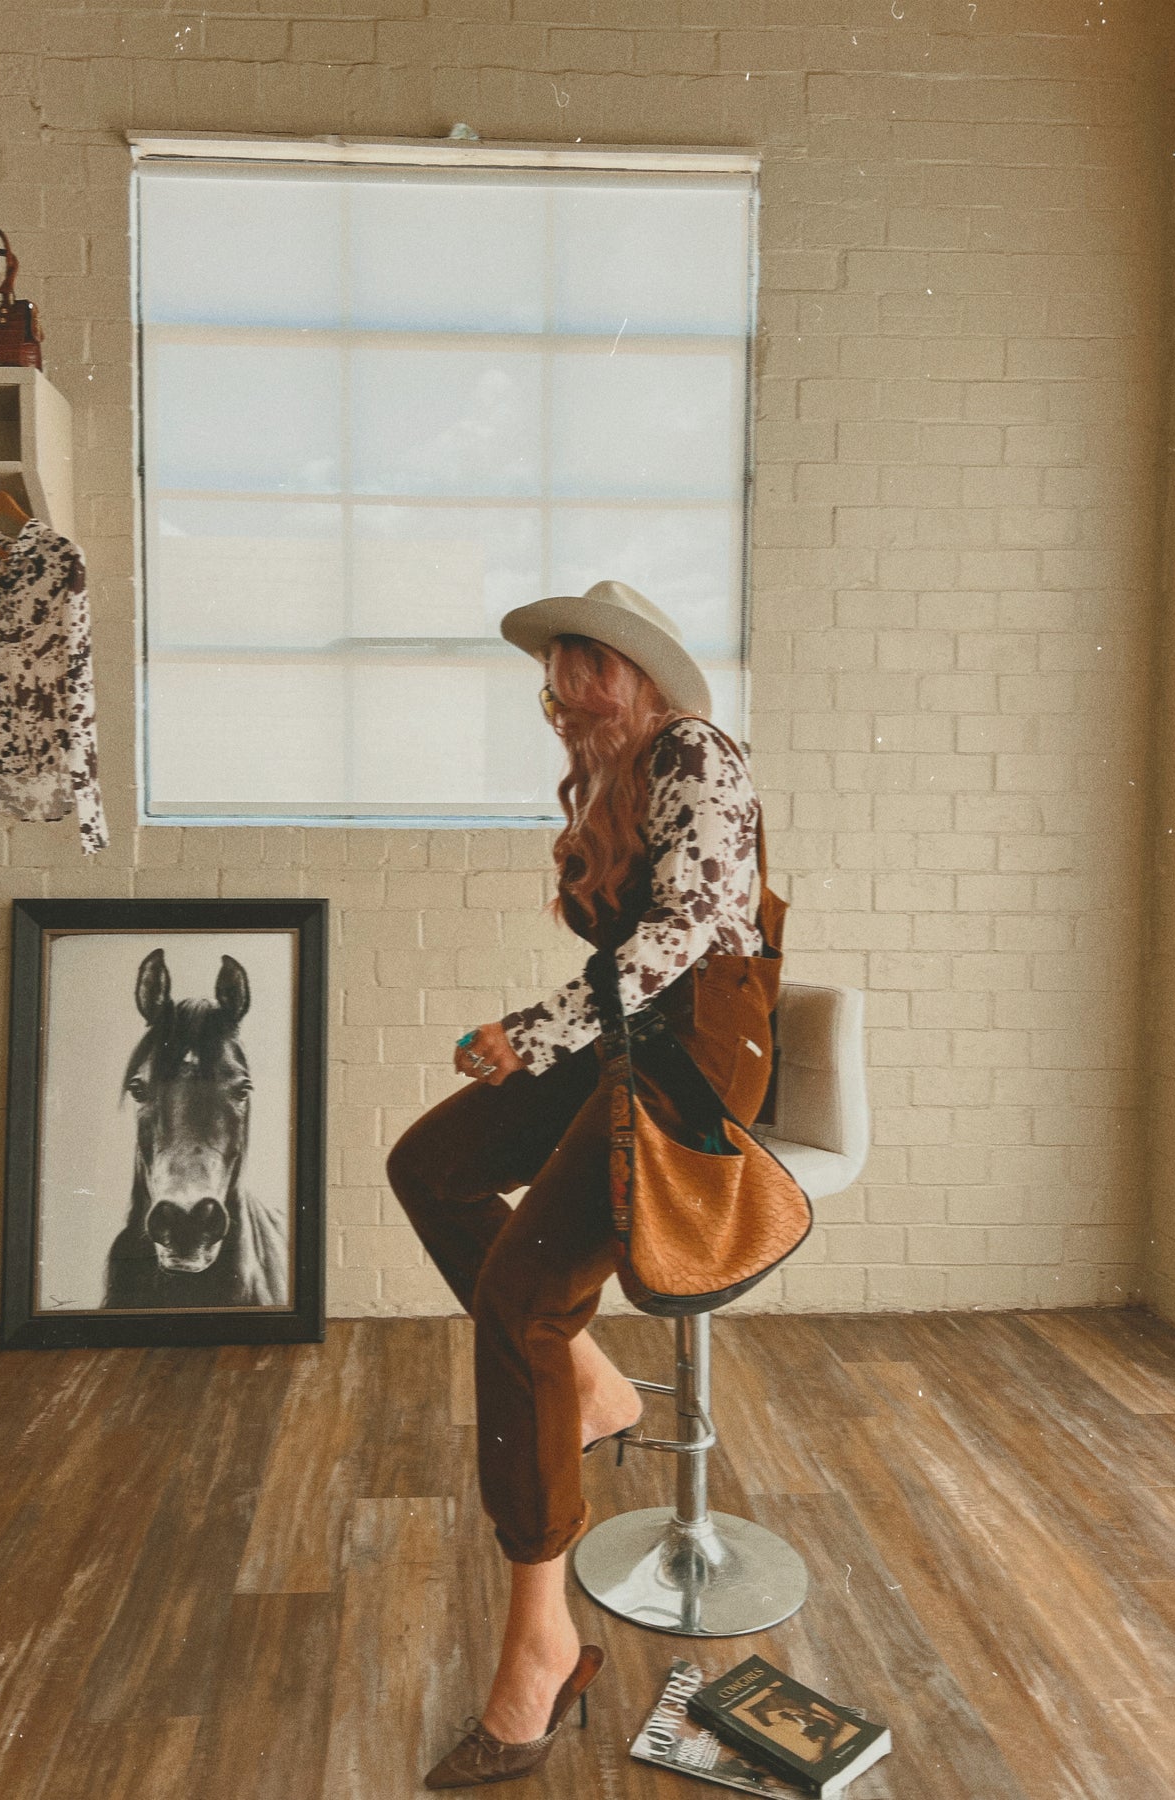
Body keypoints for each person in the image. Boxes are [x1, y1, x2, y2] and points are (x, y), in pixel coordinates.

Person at [387, 579, 781, 1791]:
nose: (567, 702)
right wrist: (548, 1036)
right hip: (626, 1039)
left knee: (520, 1305)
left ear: (643, 677)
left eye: (589, 678)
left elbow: (682, 936)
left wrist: (529, 1033)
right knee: (430, 1166)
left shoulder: (696, 752)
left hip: (694, 1059)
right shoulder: (620, 778)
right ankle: (597, 1387)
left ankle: (539, 1647)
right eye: (556, 684)